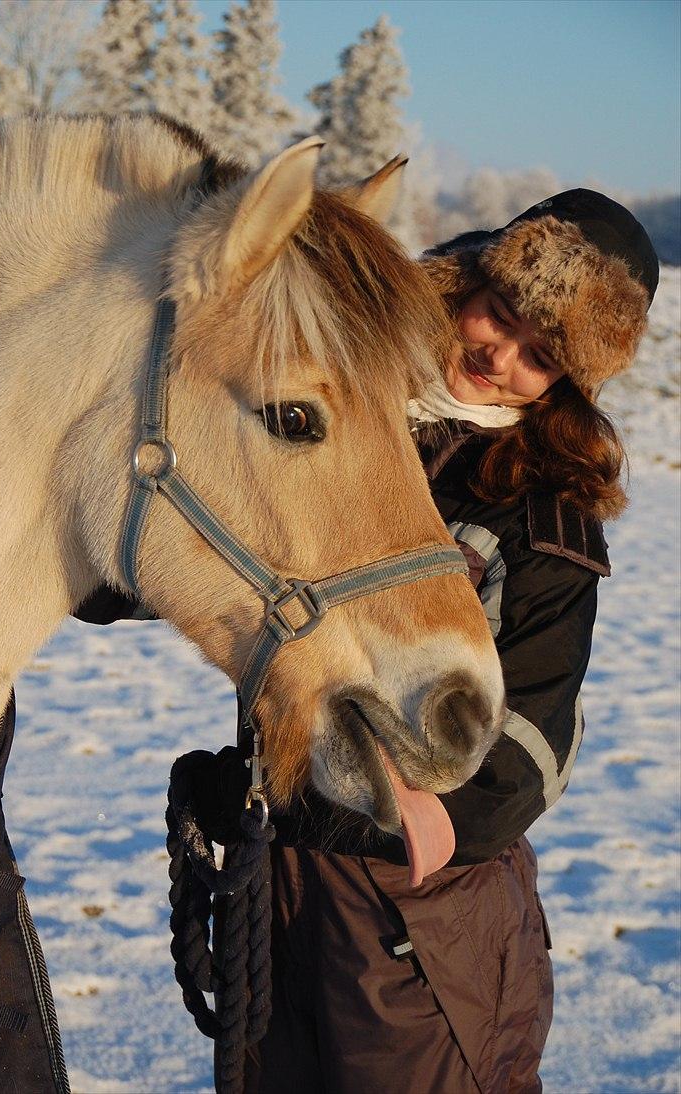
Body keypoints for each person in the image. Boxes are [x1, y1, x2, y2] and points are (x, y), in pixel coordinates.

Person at [242, 190, 659, 1094]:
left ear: (566, 384)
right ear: (464, 283)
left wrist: (416, 820)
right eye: (497, 314)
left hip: (421, 920)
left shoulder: (544, 514)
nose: (496, 354)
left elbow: (533, 738)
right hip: (274, 885)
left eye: (539, 355)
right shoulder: (344, 413)